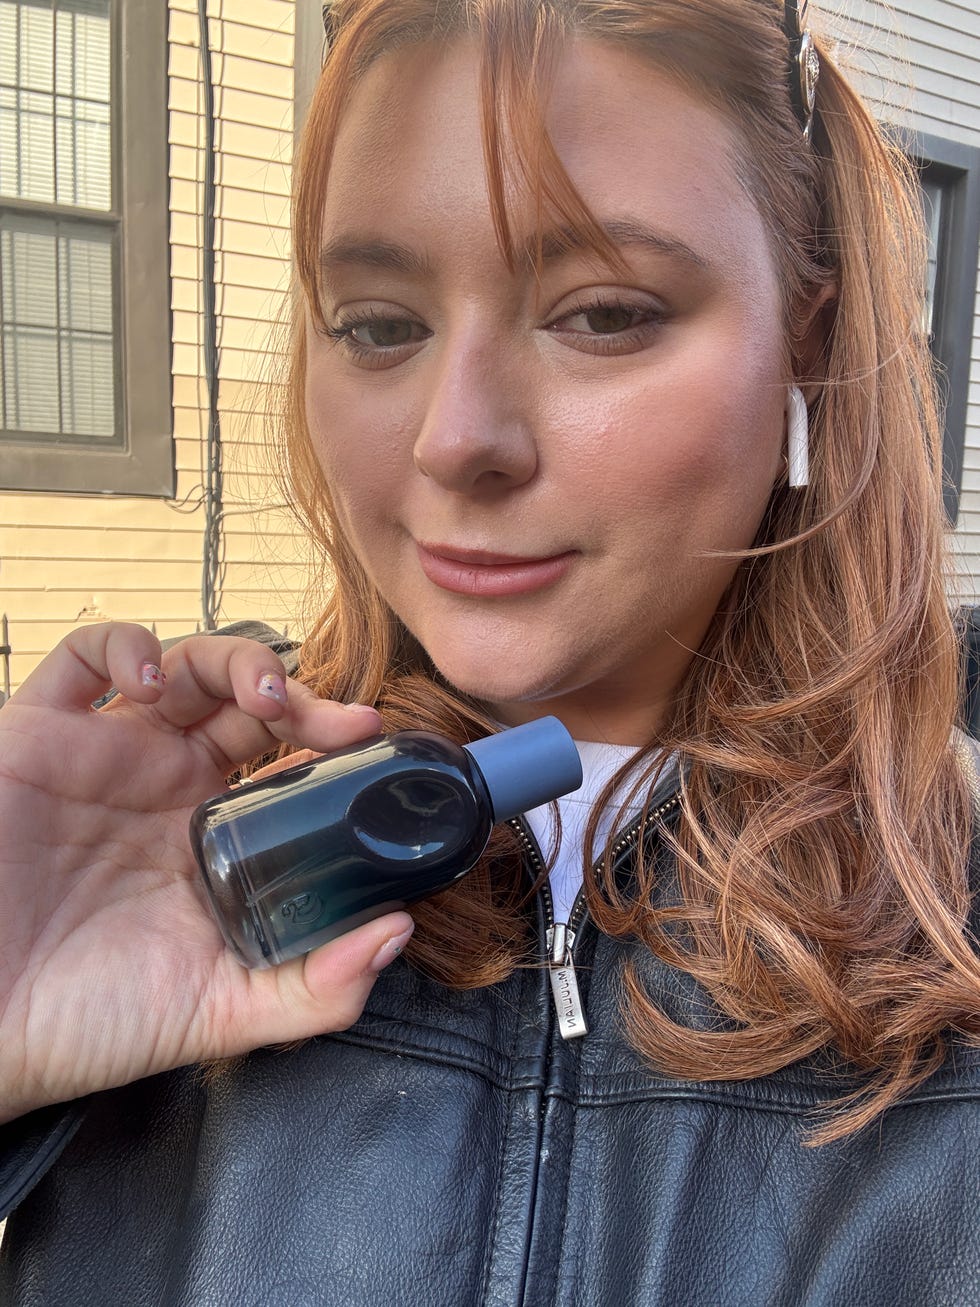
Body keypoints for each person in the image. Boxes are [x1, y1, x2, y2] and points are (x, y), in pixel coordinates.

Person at [2, 0, 979, 1301]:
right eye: (378, 325)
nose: (454, 438)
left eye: (606, 313)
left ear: (806, 342)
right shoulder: (175, 876)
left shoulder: (952, 936)